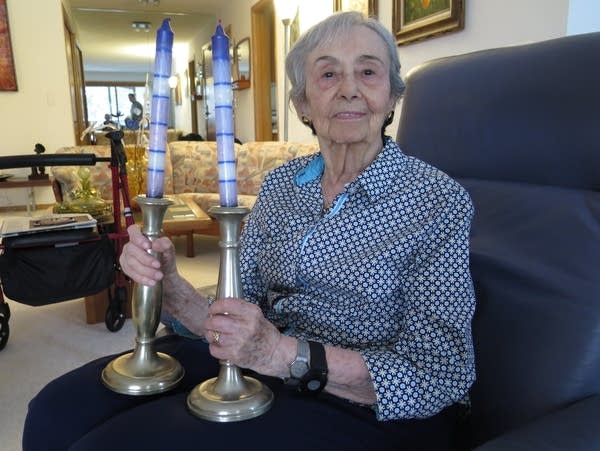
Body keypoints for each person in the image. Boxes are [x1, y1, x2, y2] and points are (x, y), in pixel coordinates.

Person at [23, 12, 476, 451]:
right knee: (55, 410)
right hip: (256, 366)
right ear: (302, 104)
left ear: (393, 96)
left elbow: (442, 372)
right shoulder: (282, 184)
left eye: (368, 71)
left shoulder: (436, 201)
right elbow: (239, 308)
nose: (350, 89)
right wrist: (172, 287)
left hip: (358, 401)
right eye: (328, 75)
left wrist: (280, 355)